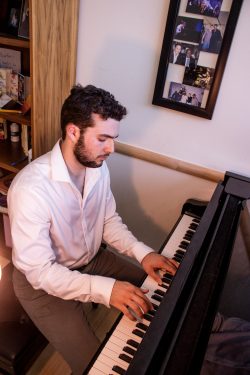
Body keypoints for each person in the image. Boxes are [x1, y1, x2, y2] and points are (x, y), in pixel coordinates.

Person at [7, 84, 178, 375]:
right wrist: (106, 290)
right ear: (73, 131)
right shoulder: (30, 189)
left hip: (92, 260)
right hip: (42, 283)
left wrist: (142, 253)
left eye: (113, 139)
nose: (111, 149)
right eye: (103, 139)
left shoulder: (97, 166)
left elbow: (108, 220)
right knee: (95, 367)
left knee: (166, 292)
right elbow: (41, 273)